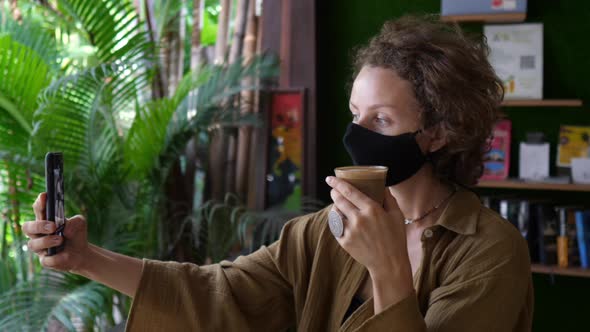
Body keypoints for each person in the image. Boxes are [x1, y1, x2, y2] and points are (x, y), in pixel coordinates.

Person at [23, 15, 533, 331]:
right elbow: (215, 293)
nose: (358, 134)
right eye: (355, 114)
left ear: (439, 131)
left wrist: (388, 269)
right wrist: (85, 258)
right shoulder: (325, 232)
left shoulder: (489, 251)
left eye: (381, 119)